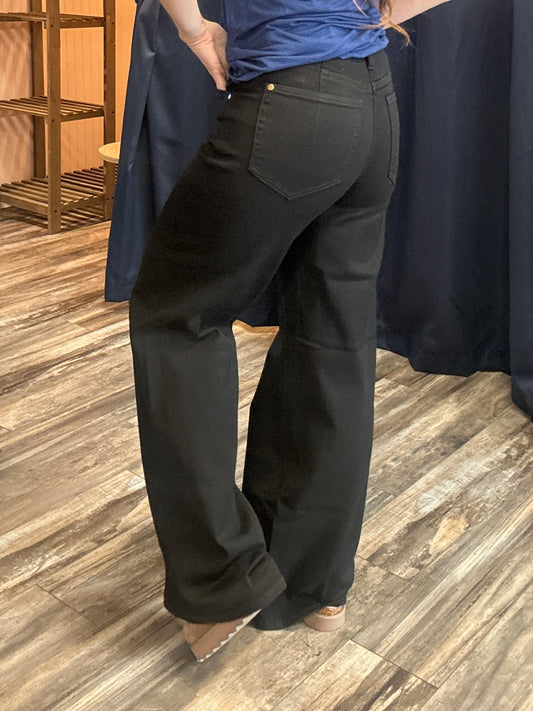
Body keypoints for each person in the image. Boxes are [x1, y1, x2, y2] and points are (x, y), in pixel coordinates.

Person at [129, 0, 453, 663]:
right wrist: (378, 13)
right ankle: (315, 585)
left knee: (176, 316)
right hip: (372, 108)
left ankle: (222, 580)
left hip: (289, 103)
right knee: (331, 336)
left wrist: (193, 29)